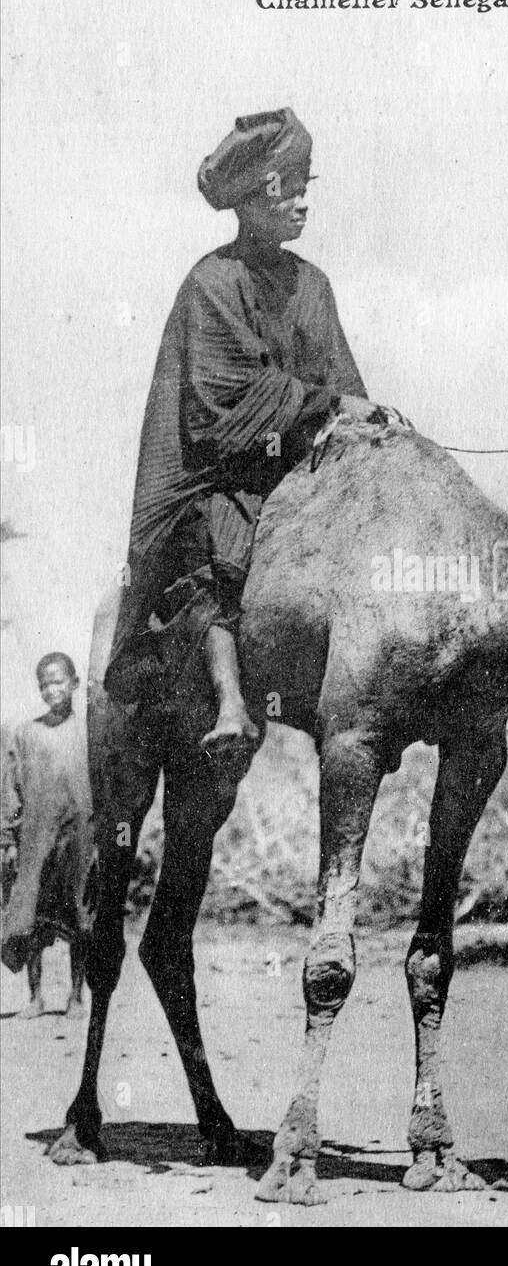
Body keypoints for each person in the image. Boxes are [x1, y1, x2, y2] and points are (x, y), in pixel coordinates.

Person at [106, 107, 386, 751]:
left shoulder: (313, 286)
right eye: (288, 187)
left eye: (305, 186)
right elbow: (223, 405)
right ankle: (230, 702)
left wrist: (364, 420)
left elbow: (342, 389)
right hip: (216, 472)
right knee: (218, 537)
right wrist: (329, 406)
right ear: (255, 196)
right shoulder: (211, 282)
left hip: (295, 469)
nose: (301, 202)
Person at [0, 653, 95, 1016]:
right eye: (44, 684)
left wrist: (109, 837)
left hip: (80, 836)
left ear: (73, 682)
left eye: (58, 681)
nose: (51, 689)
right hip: (35, 840)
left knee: (80, 915)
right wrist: (7, 840)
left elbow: (106, 786)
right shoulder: (25, 734)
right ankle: (35, 997)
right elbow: (9, 789)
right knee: (32, 916)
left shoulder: (89, 732)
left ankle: (75, 996)